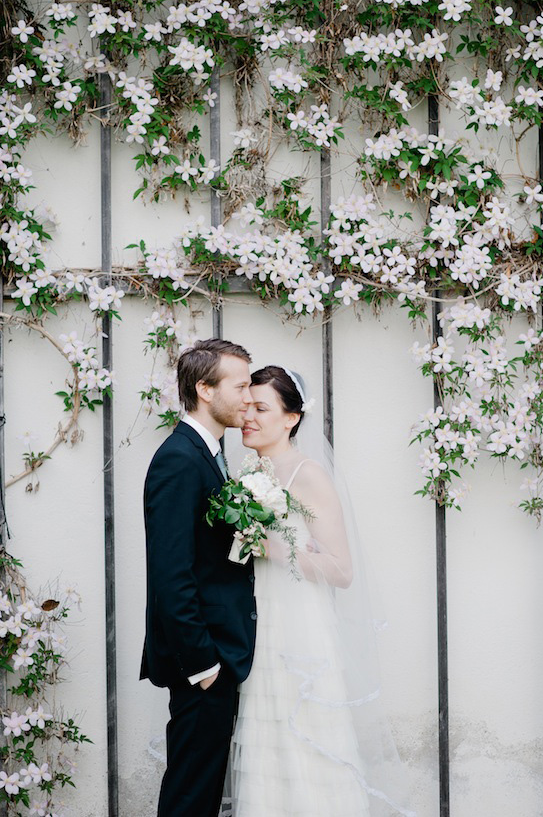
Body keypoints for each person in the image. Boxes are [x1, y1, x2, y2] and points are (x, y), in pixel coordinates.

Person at [230, 365, 415, 817]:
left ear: (292, 418)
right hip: (259, 626)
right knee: (266, 743)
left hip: (299, 632)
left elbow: (341, 569)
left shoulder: (307, 474)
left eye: (261, 408)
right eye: (245, 406)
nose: (247, 417)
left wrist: (272, 548)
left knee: (306, 740)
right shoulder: (248, 470)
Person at [140, 338, 258, 817]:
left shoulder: (209, 453)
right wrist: (203, 665)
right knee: (191, 793)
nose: (249, 396)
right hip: (203, 663)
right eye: (242, 385)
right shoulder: (179, 459)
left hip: (217, 656)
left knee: (203, 790)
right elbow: (172, 575)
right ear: (205, 390)